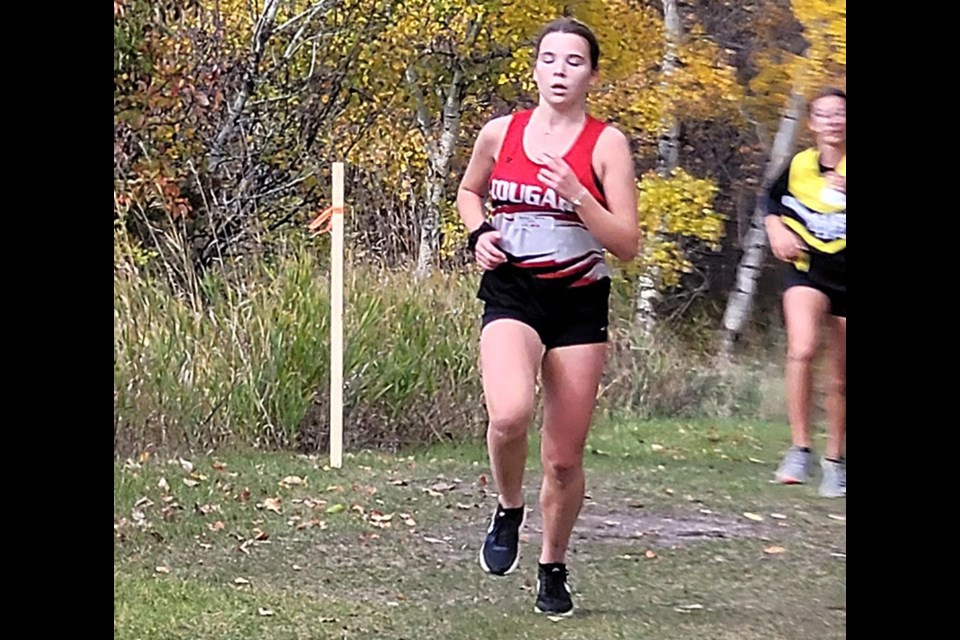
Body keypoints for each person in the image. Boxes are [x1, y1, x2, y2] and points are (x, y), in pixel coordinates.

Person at [455, 17, 639, 616]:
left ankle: (552, 564)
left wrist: (579, 195)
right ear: (533, 68)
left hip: (579, 301)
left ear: (591, 73)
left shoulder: (606, 144)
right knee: (509, 413)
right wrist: (479, 232)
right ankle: (509, 507)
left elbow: (628, 243)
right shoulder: (500, 132)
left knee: (563, 457)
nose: (560, 72)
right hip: (513, 292)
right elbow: (468, 191)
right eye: (550, 60)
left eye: (574, 62)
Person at [764, 87, 846, 498]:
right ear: (812, 123)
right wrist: (776, 230)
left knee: (841, 376)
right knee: (802, 348)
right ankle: (800, 449)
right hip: (808, 270)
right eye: (824, 114)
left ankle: (837, 461)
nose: (833, 121)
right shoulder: (798, 165)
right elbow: (770, 201)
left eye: (841, 114)